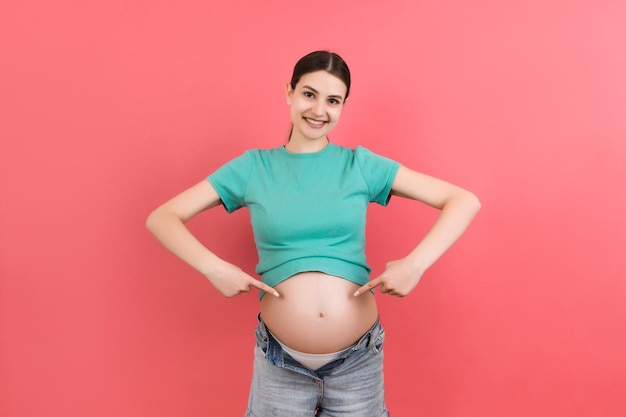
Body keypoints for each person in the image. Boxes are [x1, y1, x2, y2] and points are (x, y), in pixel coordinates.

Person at [146, 50, 480, 416]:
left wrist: (415, 264)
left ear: (343, 106)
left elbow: (463, 201)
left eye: (332, 100)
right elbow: (163, 217)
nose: (319, 110)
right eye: (309, 94)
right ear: (289, 91)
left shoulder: (359, 165)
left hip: (357, 363)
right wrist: (214, 268)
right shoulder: (253, 168)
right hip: (280, 365)